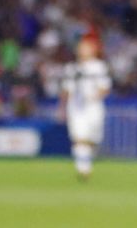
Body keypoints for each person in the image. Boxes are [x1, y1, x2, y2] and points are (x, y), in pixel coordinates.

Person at [59, 37, 111, 180]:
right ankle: (83, 169)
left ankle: (85, 161)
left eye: (86, 47)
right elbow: (66, 90)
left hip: (93, 106)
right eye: (81, 47)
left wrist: (93, 96)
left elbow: (105, 87)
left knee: (92, 140)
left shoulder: (99, 67)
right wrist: (62, 108)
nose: (82, 51)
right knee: (79, 137)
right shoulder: (71, 68)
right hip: (76, 107)